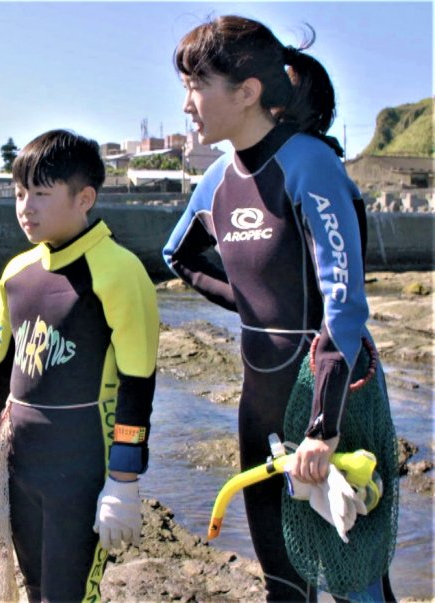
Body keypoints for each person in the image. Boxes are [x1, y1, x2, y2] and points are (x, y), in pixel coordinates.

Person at [163, 16, 397, 601]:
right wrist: (249, 305)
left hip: (336, 401)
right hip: (260, 406)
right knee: (284, 584)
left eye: (197, 86)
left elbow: (343, 305)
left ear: (247, 92)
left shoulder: (310, 163)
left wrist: (323, 428)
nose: (187, 104)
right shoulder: (217, 180)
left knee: (357, 587)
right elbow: (178, 255)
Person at [0, 129, 160, 601]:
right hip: (20, 464)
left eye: (41, 194)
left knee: (69, 595)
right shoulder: (16, 274)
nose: (25, 207)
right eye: (19, 193)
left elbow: (138, 383)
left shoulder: (119, 270)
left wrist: (124, 477)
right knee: (35, 589)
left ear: (83, 198)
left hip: (84, 465)